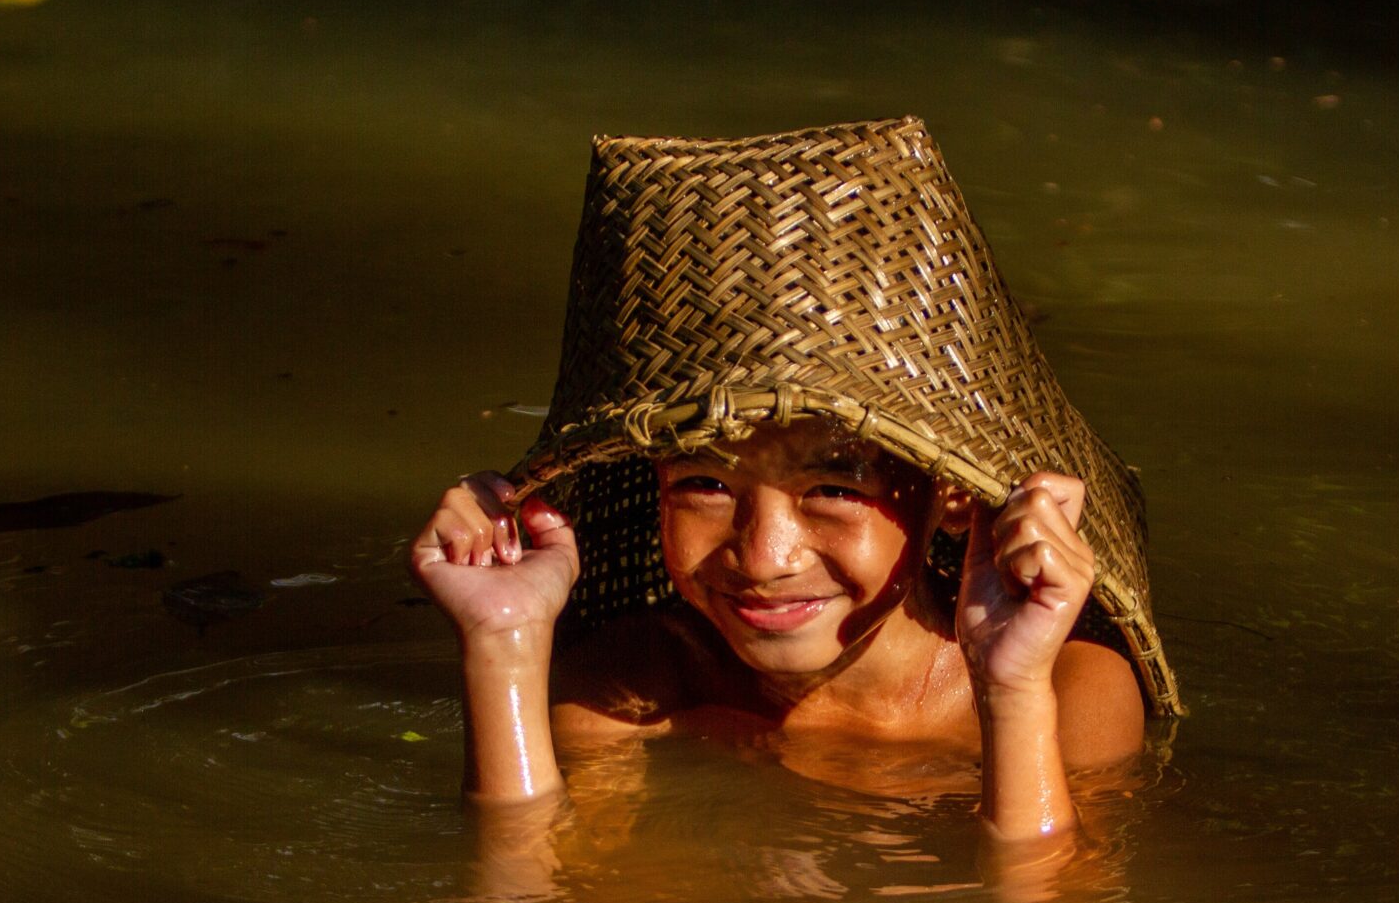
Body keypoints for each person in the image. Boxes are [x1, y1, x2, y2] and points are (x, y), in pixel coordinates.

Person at [409, 118, 1182, 841]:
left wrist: (1010, 693)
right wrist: (502, 652)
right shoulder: (633, 689)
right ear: (655, 481)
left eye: (834, 489)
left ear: (949, 492)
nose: (765, 556)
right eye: (707, 486)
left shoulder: (1071, 687)